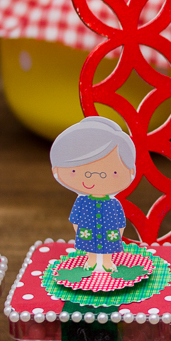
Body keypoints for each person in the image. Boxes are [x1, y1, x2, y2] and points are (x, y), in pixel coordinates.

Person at [51, 117, 136, 272]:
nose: (94, 177)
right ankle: (91, 261)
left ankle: (107, 262)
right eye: (76, 171)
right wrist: (80, 231)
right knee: (90, 247)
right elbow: (75, 219)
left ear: (130, 172)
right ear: (58, 169)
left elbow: (121, 222)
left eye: (113, 173)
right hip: (87, 232)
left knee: (108, 248)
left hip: (109, 233)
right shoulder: (82, 202)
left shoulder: (113, 203)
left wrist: (118, 234)